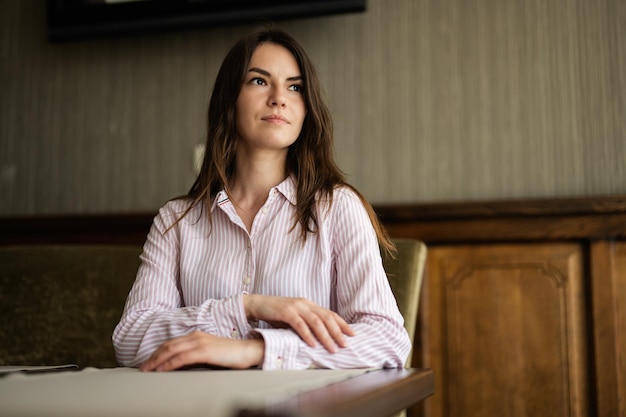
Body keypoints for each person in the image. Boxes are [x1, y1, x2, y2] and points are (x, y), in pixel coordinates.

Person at [112, 26, 411, 371]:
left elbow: (388, 340)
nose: (279, 98)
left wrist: (260, 350)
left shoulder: (338, 208)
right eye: (259, 81)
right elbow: (130, 340)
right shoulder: (176, 220)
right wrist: (248, 307)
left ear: (306, 108)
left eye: (295, 87)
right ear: (230, 98)